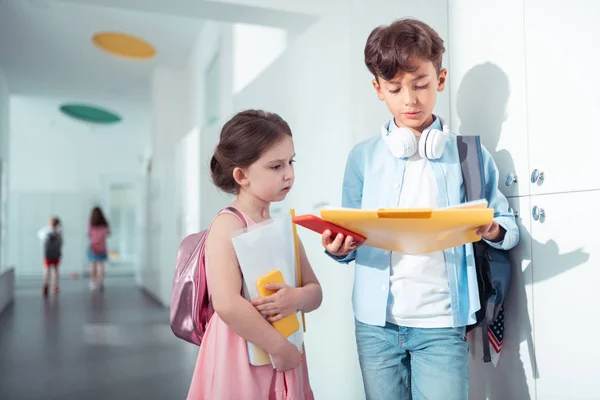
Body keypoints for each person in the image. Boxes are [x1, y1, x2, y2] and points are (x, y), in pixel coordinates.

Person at [322, 18, 519, 400]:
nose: (409, 99)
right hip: (376, 326)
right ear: (378, 89)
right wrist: (338, 248)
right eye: (395, 88)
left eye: (421, 85)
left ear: (440, 80)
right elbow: (348, 234)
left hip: (443, 323)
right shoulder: (362, 158)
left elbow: (507, 228)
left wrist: (489, 229)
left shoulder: (471, 156)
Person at [187, 110, 321, 400]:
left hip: (284, 346)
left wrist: (295, 299)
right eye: (276, 166)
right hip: (241, 352)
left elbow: (315, 292)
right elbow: (226, 303)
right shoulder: (227, 224)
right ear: (241, 175)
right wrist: (278, 347)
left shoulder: (283, 228)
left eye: (290, 162)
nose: (289, 174)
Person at [38, 216, 63, 296]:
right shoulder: (59, 232)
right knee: (55, 270)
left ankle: (46, 284)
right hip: (56, 254)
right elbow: (61, 243)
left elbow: (41, 239)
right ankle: (55, 286)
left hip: (48, 254)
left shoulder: (45, 231)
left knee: (47, 270)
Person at [87, 206, 110, 291]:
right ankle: (100, 283)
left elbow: (89, 234)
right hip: (102, 247)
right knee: (100, 265)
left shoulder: (91, 223)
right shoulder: (104, 223)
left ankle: (93, 282)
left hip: (93, 247)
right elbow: (108, 233)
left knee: (93, 265)